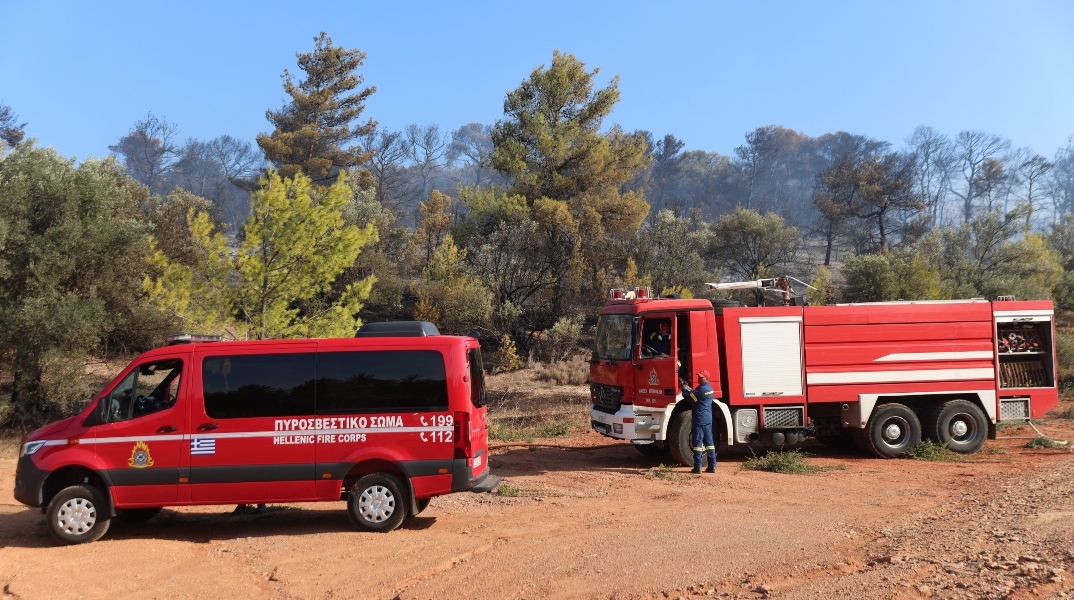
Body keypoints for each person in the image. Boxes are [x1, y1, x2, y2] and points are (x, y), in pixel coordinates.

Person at [683, 369, 717, 474]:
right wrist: (688, 389)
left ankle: (697, 467)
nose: (699, 378)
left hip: (699, 419)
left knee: (697, 443)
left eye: (701, 376)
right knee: (709, 443)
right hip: (707, 418)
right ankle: (712, 466)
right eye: (698, 376)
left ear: (706, 378)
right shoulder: (708, 388)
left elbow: (691, 397)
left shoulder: (702, 390)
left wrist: (684, 390)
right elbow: (695, 393)